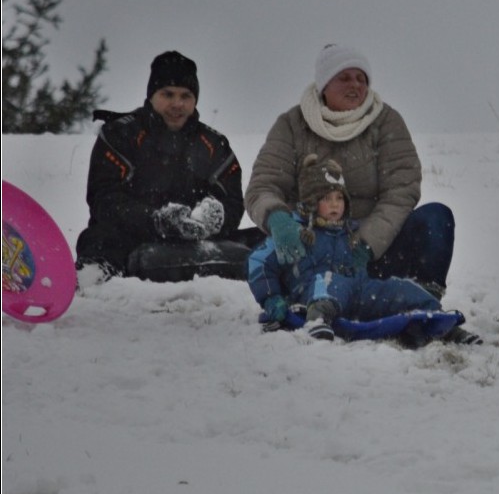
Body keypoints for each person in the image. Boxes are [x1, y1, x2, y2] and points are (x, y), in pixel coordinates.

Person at [245, 44, 454, 299]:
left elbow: (401, 191)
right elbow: (263, 186)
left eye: (361, 79)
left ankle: (421, 301)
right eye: (344, 78)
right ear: (324, 86)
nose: (354, 85)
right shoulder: (291, 125)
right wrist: (277, 218)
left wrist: (365, 245)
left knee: (436, 218)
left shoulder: (386, 122)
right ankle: (307, 297)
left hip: (371, 255)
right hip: (311, 255)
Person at [247, 154, 477, 346]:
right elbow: (259, 262)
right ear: (310, 202)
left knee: (401, 289)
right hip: (310, 293)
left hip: (356, 293)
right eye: (326, 198)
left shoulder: (350, 232)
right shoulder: (296, 232)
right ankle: (318, 320)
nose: (335, 204)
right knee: (329, 281)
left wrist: (363, 253)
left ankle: (442, 324)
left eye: (339, 198)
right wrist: (271, 298)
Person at [75, 51, 260, 284]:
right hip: (132, 239)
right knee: (97, 239)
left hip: (200, 242)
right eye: (168, 94)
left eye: (186, 96)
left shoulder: (214, 144)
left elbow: (232, 202)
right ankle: (97, 286)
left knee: (267, 239)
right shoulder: (120, 134)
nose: (177, 104)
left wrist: (215, 218)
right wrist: (157, 220)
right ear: (152, 95)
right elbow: (105, 201)